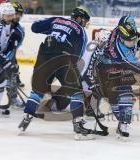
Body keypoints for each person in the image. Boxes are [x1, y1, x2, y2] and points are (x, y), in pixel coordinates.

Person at [82, 16, 140, 140]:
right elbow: (136, 65)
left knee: (126, 94)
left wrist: (135, 41)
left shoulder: (123, 30)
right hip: (106, 72)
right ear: (121, 39)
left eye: (133, 40)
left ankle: (123, 124)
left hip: (121, 70)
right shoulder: (119, 51)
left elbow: (128, 19)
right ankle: (112, 114)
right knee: (113, 99)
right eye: (129, 41)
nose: (132, 43)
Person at [18, 7, 94, 140]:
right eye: (85, 21)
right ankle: (78, 127)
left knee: (37, 91)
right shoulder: (81, 31)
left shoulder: (57, 20)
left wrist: (52, 29)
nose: (84, 24)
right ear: (80, 19)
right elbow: (78, 55)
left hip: (44, 55)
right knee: (76, 91)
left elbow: (35, 27)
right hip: (63, 58)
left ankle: (25, 119)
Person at [5, 1, 25, 109]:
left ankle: (12, 99)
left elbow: (13, 49)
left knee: (12, 75)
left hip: (6, 57)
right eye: (16, 13)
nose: (18, 16)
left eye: (20, 14)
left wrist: (9, 62)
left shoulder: (19, 31)